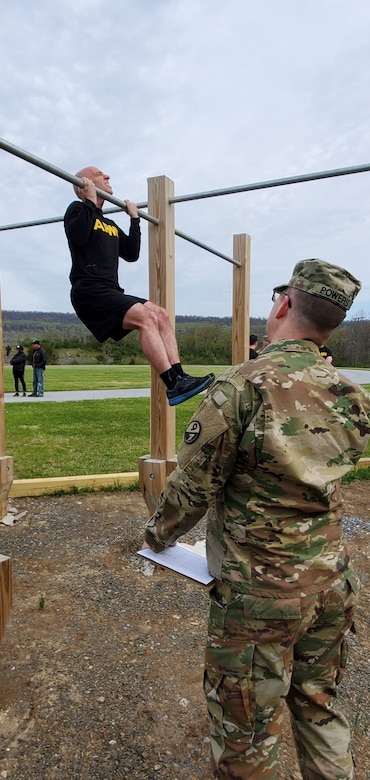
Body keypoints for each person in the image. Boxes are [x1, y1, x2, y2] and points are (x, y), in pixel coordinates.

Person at [144, 258, 370, 779]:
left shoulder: (244, 387)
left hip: (260, 599)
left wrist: (157, 534)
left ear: (284, 304)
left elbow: (192, 488)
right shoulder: (349, 394)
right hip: (331, 585)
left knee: (246, 735)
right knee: (319, 709)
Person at [64, 167, 214, 406]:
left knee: (160, 315)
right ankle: (173, 384)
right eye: (99, 174)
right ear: (85, 184)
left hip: (110, 291)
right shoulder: (77, 210)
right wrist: (90, 201)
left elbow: (131, 253)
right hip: (89, 291)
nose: (107, 176)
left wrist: (134, 219)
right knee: (146, 317)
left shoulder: (109, 224)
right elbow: (78, 236)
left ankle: (179, 377)